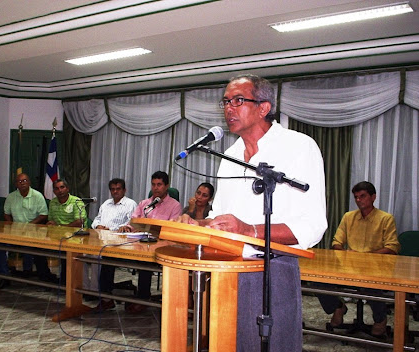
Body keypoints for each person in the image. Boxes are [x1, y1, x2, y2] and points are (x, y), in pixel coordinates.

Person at [177, 74, 327, 351]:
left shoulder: (299, 147)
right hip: (226, 270)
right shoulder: (230, 156)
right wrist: (196, 224)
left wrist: (250, 231)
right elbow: (222, 218)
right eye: (225, 102)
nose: (228, 108)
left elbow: (313, 225)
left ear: (263, 107)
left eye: (238, 100)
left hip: (274, 268)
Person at [317, 181, 400, 336]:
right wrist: (344, 253)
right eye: (356, 197)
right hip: (350, 267)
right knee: (318, 278)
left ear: (373, 197)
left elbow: (392, 247)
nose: (359, 200)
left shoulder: (386, 218)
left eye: (363, 196)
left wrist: (367, 257)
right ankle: (338, 307)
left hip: (376, 268)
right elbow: (337, 242)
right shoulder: (349, 217)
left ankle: (380, 319)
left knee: (370, 284)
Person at [120, 171, 182, 313]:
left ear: (166, 186)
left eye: (159, 185)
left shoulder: (175, 206)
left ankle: (143, 299)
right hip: (139, 244)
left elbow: (171, 230)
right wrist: (128, 227)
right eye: (153, 184)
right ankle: (106, 297)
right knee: (108, 255)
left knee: (144, 261)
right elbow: (135, 221)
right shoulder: (144, 204)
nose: (156, 188)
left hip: (160, 247)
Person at [0, 173, 56, 289]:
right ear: (15, 184)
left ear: (29, 182)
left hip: (33, 231)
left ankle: (27, 272)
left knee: (30, 245)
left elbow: (43, 215)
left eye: (24, 181)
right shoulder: (11, 197)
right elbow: (6, 214)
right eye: (19, 181)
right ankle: (5, 276)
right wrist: (11, 226)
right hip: (14, 232)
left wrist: (28, 226)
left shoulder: (37, 196)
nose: (22, 183)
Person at [90, 178, 137, 310]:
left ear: (124, 190)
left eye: (118, 189)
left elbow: (131, 223)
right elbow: (96, 219)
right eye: (113, 189)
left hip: (120, 243)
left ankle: (106, 298)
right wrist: (98, 225)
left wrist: (113, 229)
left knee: (106, 259)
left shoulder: (130, 204)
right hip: (102, 240)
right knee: (85, 255)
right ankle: (94, 292)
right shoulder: (105, 204)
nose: (115, 192)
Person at [47, 178, 86, 283]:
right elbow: (50, 220)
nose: (60, 190)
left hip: (75, 237)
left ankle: (66, 282)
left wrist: (60, 226)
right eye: (56, 188)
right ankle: (45, 279)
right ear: (54, 191)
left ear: (67, 189)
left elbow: (79, 221)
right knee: (37, 249)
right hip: (57, 236)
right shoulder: (53, 202)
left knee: (66, 251)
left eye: (62, 187)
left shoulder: (76, 201)